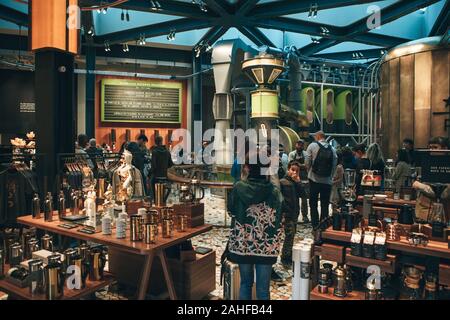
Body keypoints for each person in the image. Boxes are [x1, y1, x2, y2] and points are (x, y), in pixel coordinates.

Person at [227, 151, 283, 300]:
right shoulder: (274, 192)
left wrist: (242, 179)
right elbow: (280, 215)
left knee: (245, 283)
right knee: (263, 289)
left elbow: (231, 209)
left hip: (243, 244)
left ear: (247, 168)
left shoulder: (238, 188)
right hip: (266, 245)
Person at [305, 131, 337, 229]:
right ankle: (323, 225)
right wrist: (330, 176)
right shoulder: (332, 149)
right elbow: (334, 164)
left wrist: (309, 172)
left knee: (313, 203)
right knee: (324, 204)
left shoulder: (312, 146)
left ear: (318, 136)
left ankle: (315, 225)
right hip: (327, 181)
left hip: (314, 179)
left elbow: (307, 161)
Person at [279, 161, 303, 267]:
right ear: (288, 169)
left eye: (297, 171)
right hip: (287, 213)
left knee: (292, 234)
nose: (294, 172)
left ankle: (287, 255)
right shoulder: (282, 182)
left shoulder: (295, 182)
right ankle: (285, 258)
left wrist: (298, 182)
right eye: (292, 170)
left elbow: (304, 194)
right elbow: (280, 200)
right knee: (289, 235)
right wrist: (282, 214)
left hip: (294, 213)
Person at [288, 140, 309, 223]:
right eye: (298, 145)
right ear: (296, 145)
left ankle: (305, 216)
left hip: (304, 179)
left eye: (301, 145)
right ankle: (295, 216)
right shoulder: (292, 154)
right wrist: (301, 166)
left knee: (304, 199)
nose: (299, 146)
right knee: (295, 199)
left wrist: (298, 165)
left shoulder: (306, 154)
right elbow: (291, 165)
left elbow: (307, 165)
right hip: (294, 178)